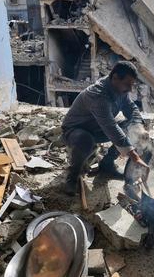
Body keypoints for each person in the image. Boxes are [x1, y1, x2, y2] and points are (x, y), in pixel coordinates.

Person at [61, 61, 144, 195]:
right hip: (75, 130)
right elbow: (110, 127)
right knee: (85, 140)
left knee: (129, 127)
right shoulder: (98, 95)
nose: (130, 89)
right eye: (128, 84)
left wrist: (139, 127)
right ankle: (73, 176)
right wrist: (134, 155)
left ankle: (107, 164)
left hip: (98, 128)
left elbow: (131, 108)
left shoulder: (119, 88)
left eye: (132, 84)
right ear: (115, 77)